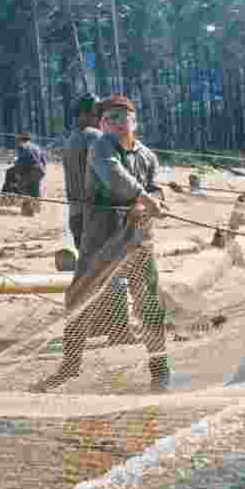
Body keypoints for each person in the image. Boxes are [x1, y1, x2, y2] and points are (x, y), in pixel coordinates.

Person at [42, 95, 171, 392]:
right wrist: (144, 198)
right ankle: (71, 365)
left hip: (139, 237)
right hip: (100, 237)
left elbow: (157, 189)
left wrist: (152, 201)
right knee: (80, 296)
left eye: (122, 117)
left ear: (134, 122)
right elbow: (114, 176)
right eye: (109, 118)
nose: (116, 123)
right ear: (101, 124)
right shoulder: (100, 148)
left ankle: (160, 369)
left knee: (149, 302)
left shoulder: (148, 156)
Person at [61, 94, 103, 253]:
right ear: (84, 114)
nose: (100, 118)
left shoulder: (70, 140)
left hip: (75, 214)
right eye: (97, 114)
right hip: (96, 213)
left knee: (86, 262)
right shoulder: (95, 136)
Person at [3, 133, 47, 198]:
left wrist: (14, 162)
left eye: (18, 141)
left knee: (21, 184)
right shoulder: (36, 147)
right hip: (41, 171)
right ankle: (36, 200)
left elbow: (24, 162)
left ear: (22, 141)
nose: (18, 143)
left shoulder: (25, 147)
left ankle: (8, 194)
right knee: (34, 188)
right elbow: (44, 160)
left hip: (32, 170)